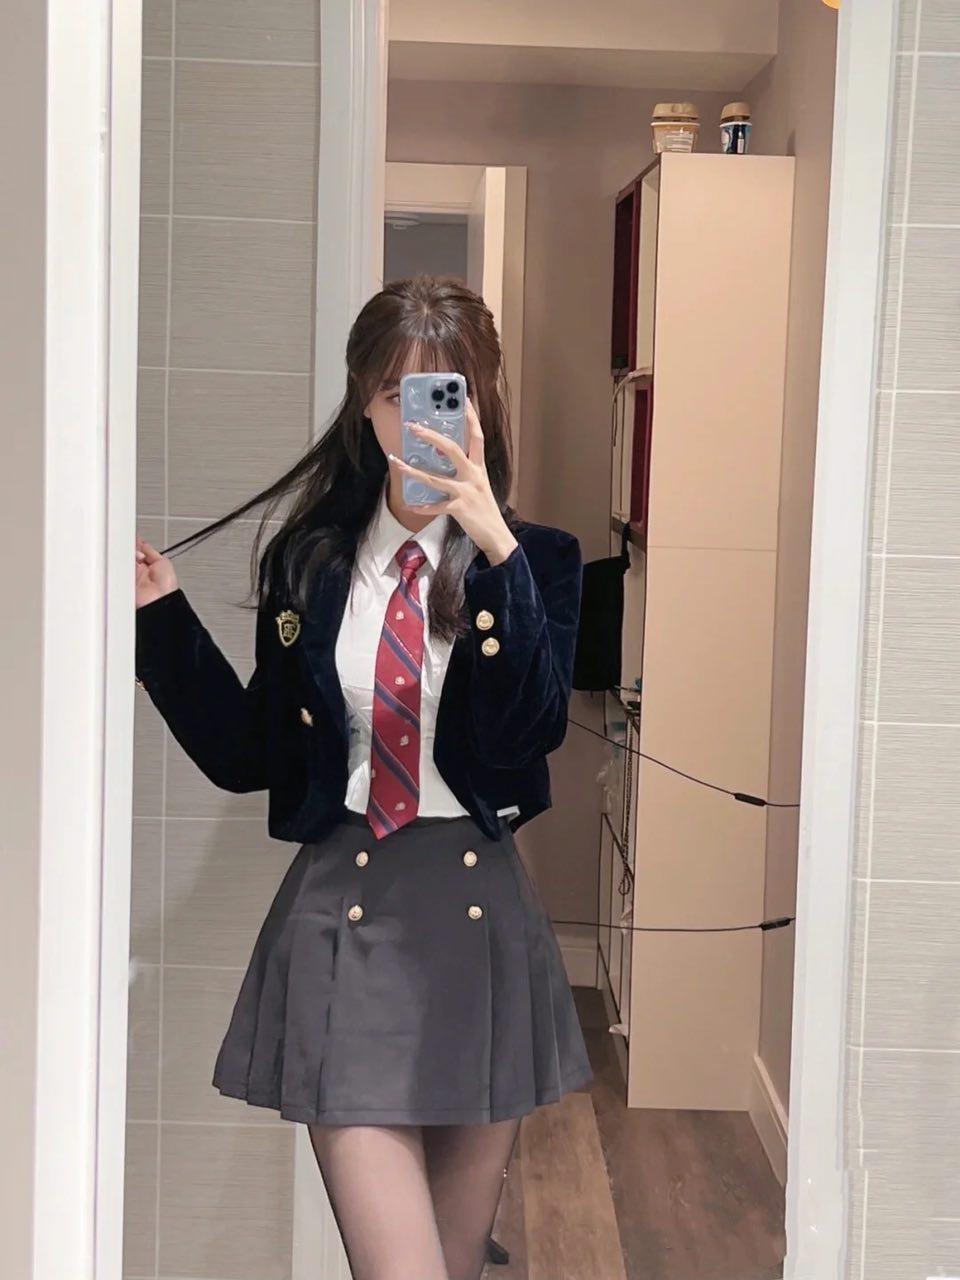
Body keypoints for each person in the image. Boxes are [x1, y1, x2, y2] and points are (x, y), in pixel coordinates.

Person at [134, 274, 592, 1280]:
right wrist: (160, 618)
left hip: (478, 922)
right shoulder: (311, 563)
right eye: (397, 391)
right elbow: (249, 754)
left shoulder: (538, 563)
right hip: (345, 916)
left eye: (446, 390)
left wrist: (495, 549)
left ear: (482, 401)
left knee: (453, 1263)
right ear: (366, 404)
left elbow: (531, 730)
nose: (419, 417)